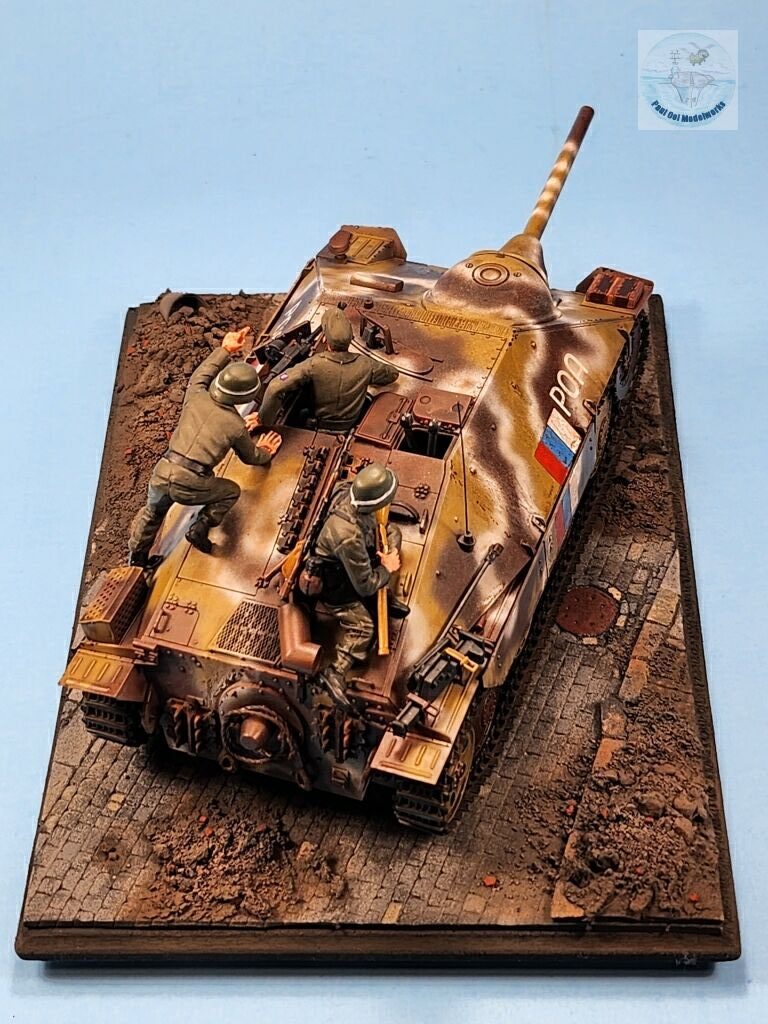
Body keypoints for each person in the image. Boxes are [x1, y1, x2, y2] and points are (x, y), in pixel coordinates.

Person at [128, 327, 282, 566]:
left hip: (163, 470)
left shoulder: (196, 395)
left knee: (151, 514)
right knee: (230, 491)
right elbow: (251, 457)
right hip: (191, 482)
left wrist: (225, 349)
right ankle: (201, 526)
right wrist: (265, 451)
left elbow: (201, 374)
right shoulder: (235, 425)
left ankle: (137, 559)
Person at [312, 463, 409, 708]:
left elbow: (378, 529)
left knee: (393, 533)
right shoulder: (348, 536)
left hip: (354, 555)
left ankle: (383, 595)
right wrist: (387, 568)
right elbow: (365, 585)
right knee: (364, 627)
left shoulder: (347, 491)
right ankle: (335, 671)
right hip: (337, 584)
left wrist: (386, 555)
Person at [258, 307, 399, 432]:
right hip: (351, 425)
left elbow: (275, 387)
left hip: (317, 425)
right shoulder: (365, 364)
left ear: (325, 339)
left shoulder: (313, 364)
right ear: (351, 338)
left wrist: (263, 420)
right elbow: (392, 374)